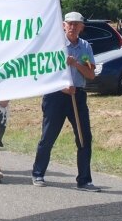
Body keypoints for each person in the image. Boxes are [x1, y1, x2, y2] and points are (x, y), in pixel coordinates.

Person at [32, 11, 100, 191]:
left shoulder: (85, 47)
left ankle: (84, 180)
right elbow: (44, 74)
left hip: (77, 95)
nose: (72, 27)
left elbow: (90, 74)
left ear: (82, 27)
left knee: (84, 137)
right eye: (69, 23)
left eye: (76, 24)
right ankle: (38, 173)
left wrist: (75, 64)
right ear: (63, 25)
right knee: (48, 136)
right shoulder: (54, 45)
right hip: (55, 95)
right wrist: (62, 87)